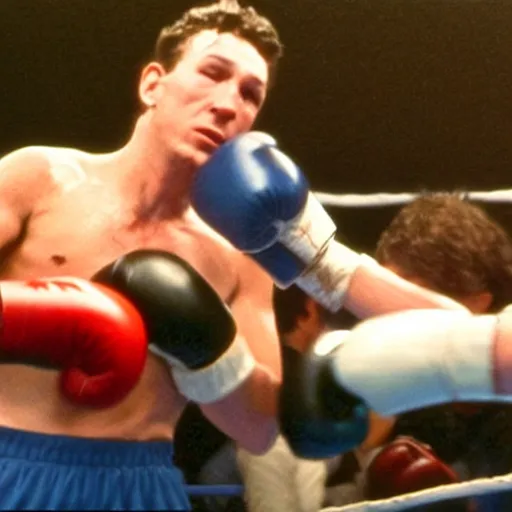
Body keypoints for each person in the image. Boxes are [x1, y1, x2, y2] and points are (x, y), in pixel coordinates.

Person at [0, 1, 285, 509]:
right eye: (213, 74)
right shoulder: (38, 178)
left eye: (249, 94)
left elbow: (259, 429)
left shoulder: (239, 258)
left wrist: (208, 345)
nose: (227, 104)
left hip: (137, 487)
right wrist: (48, 318)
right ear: (153, 84)